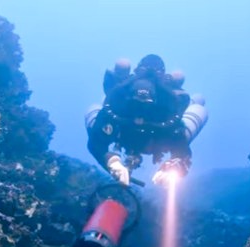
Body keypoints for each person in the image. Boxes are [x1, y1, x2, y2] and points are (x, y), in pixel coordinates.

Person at [85, 54, 208, 186]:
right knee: (96, 113)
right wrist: (112, 162)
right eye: (136, 104)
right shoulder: (116, 106)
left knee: (194, 113)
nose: (140, 117)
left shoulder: (167, 112)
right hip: (131, 136)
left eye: (146, 106)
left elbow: (182, 149)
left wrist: (174, 167)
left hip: (155, 141)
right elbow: (95, 142)